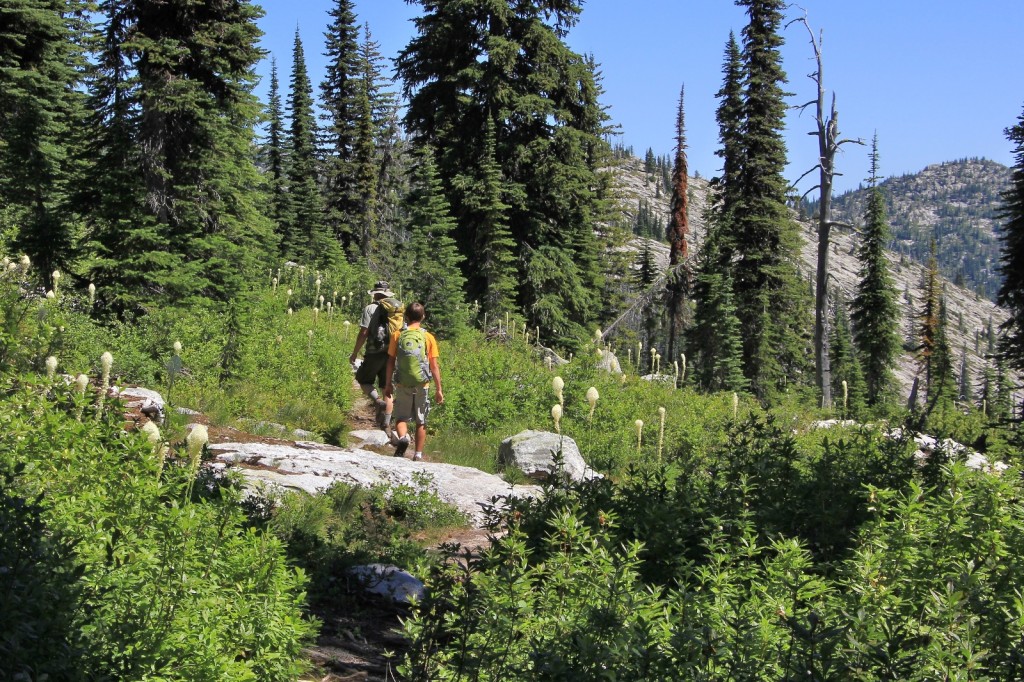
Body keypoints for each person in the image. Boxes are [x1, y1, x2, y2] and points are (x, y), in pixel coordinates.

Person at [384, 302, 443, 460]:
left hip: (402, 383)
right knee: (420, 420)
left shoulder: (398, 334)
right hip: (422, 384)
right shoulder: (428, 337)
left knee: (401, 418)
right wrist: (439, 389)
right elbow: (434, 366)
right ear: (423, 317)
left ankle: (403, 438)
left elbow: (390, 362)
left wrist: (388, 383)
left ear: (406, 317)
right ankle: (417, 455)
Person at [349, 280, 399, 430]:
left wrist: (355, 352)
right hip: (391, 353)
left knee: (362, 379)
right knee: (387, 387)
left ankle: (377, 401)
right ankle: (386, 424)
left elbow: (364, 333)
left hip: (373, 351)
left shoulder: (370, 308)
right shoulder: (396, 309)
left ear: (375, 294)